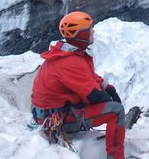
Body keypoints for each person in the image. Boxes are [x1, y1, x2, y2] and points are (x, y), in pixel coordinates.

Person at [31, 11, 127, 159]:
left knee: (108, 105)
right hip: (56, 119)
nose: (93, 32)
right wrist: (109, 98)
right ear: (81, 35)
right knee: (116, 111)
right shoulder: (70, 62)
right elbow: (94, 96)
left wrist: (108, 87)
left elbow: (88, 76)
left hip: (49, 112)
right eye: (89, 29)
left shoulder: (68, 53)